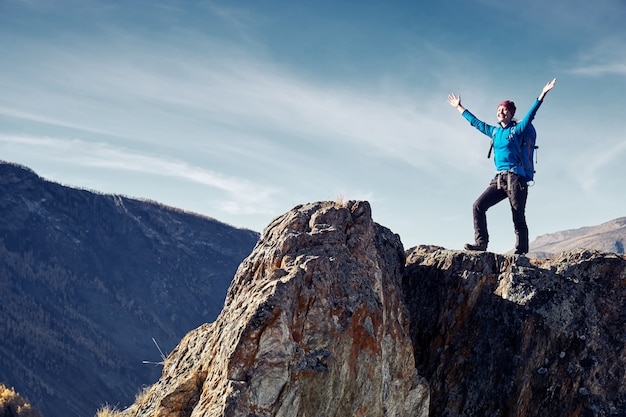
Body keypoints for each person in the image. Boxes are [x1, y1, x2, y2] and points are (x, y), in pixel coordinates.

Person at [447, 78, 556, 255]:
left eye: (505, 110)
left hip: (516, 178)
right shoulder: (495, 132)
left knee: (517, 215)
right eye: (499, 110)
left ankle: (521, 251)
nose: (501, 112)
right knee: (478, 206)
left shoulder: (517, 130)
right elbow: (476, 123)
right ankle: (481, 244)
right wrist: (459, 107)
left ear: (512, 113)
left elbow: (531, 115)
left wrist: (542, 94)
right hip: (499, 179)